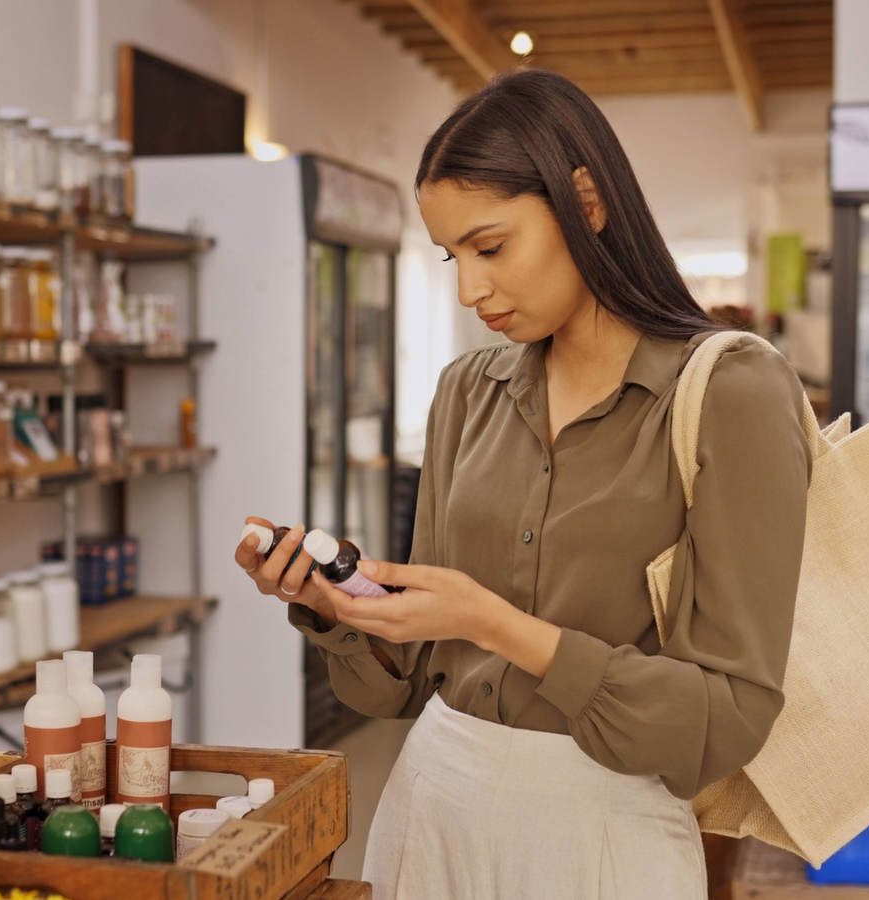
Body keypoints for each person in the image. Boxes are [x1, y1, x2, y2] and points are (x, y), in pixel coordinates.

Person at [234, 69, 810, 899]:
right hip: (432, 809)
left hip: (607, 835)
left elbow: (727, 720)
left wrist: (495, 623)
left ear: (587, 200)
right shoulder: (466, 391)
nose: (470, 290)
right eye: (451, 256)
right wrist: (340, 610)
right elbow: (406, 679)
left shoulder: (730, 391)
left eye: (491, 246)